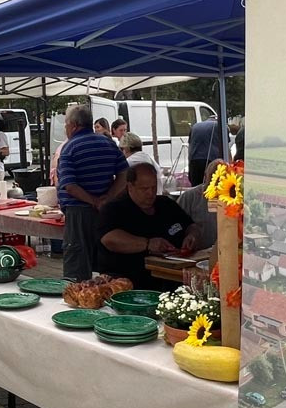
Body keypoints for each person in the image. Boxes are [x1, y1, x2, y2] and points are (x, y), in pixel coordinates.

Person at [98, 163, 201, 290]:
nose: (150, 193)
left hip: (173, 278)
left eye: (154, 187)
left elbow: (191, 226)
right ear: (130, 187)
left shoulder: (166, 204)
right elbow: (109, 239)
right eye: (144, 189)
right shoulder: (113, 209)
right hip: (131, 283)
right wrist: (147, 244)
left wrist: (192, 236)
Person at [57, 105, 128, 282]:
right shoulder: (108, 143)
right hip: (106, 211)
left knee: (77, 269)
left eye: (66, 124)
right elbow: (125, 174)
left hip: (79, 213)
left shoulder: (69, 148)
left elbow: (69, 185)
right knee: (106, 264)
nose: (66, 128)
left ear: (74, 125)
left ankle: (79, 295)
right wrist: (108, 198)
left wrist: (94, 201)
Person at [176, 159, 225, 251]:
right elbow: (175, 224)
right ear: (205, 177)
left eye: (221, 179)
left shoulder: (232, 199)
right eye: (213, 178)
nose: (216, 183)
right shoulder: (189, 197)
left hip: (223, 251)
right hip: (196, 252)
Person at [187, 113, 224, 188]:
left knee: (196, 187)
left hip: (194, 161)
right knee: (211, 187)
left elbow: (190, 146)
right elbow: (225, 147)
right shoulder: (221, 126)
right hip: (212, 162)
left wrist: (190, 163)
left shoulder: (195, 126)